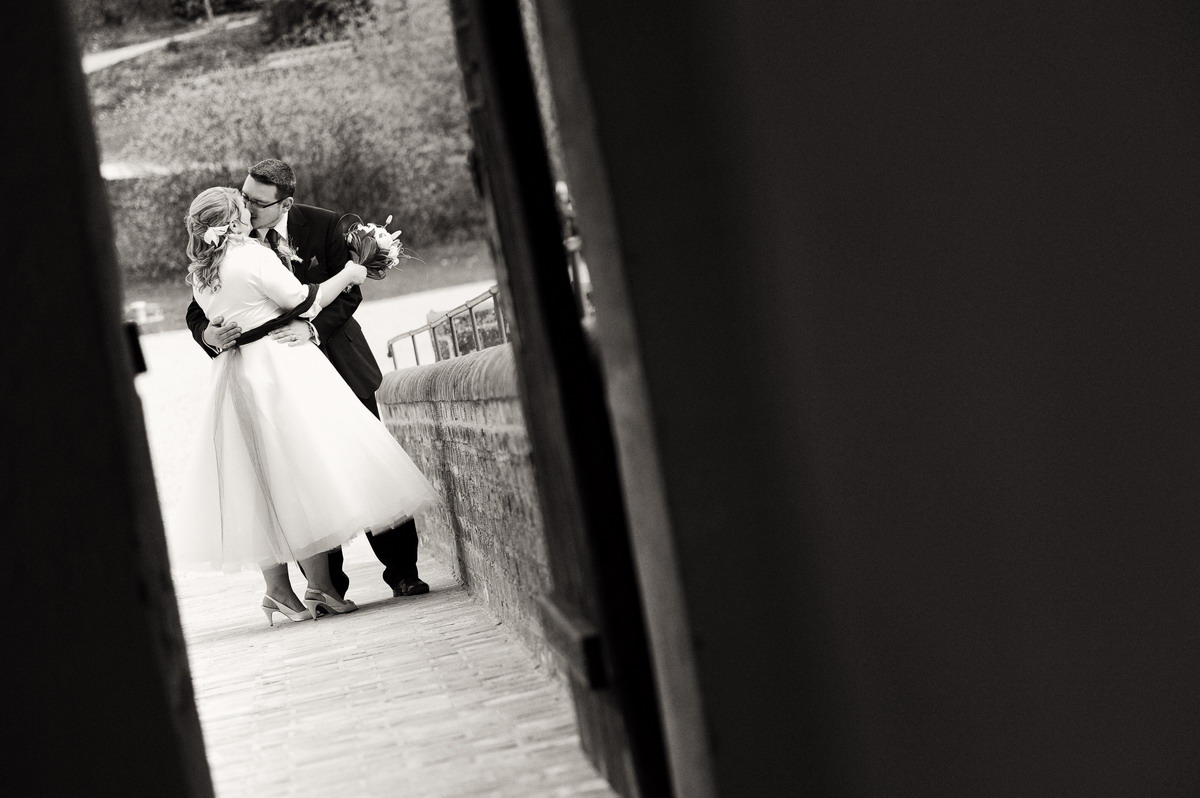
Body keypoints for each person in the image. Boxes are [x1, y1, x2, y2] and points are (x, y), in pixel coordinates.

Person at [173, 186, 440, 624]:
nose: (251, 210)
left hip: (236, 377)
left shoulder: (204, 270)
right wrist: (352, 274)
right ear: (236, 218)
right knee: (302, 471)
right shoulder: (251, 256)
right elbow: (304, 299)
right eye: (245, 205)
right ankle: (318, 587)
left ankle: (288, 590)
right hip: (280, 368)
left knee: (259, 480)